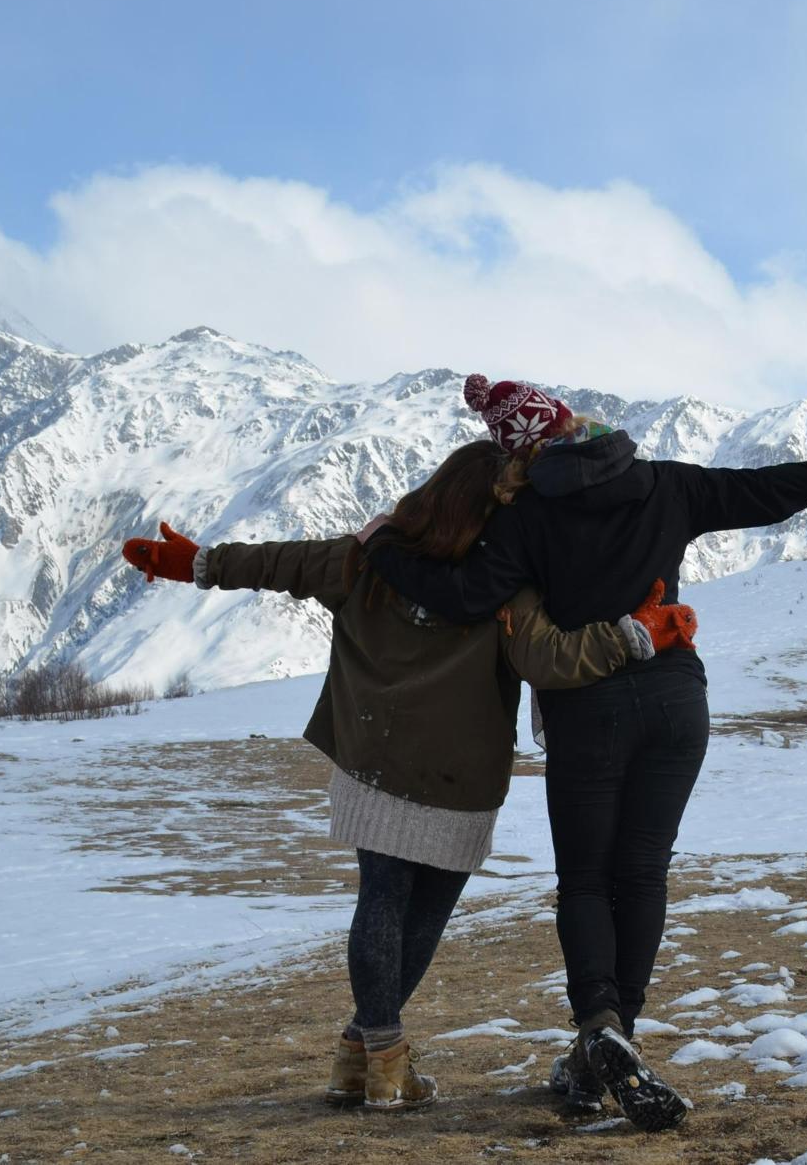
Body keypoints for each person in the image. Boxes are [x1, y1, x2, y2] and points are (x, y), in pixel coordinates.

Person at [362, 375, 807, 1130]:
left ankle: (599, 1027)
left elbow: (466, 596)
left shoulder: (526, 518)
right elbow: (767, 493)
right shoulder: (664, 485)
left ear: (520, 453)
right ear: (575, 425)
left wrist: (382, 552)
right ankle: (609, 1042)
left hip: (587, 713)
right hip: (674, 703)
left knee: (588, 882)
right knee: (642, 873)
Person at [119, 439, 698, 1112]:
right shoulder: (506, 582)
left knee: (383, 896)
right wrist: (635, 635)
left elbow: (281, 563)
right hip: (461, 778)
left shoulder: (367, 559)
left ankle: (361, 1056)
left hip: (374, 756)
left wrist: (199, 563)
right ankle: (382, 1061)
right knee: (421, 914)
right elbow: (551, 660)